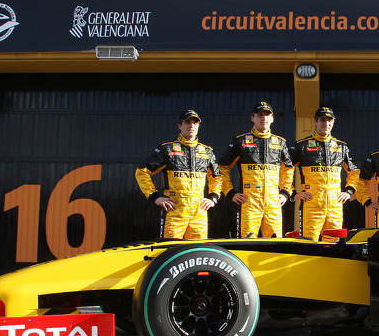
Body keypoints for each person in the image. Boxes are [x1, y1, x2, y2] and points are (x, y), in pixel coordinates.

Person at [135, 110, 222, 240]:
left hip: (199, 212)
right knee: (169, 249)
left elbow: (217, 178)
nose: (191, 126)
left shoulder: (207, 152)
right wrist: (155, 197)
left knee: (198, 252)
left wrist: (213, 198)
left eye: (195, 123)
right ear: (180, 126)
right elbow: (141, 172)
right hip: (175, 209)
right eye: (187, 122)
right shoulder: (167, 149)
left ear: (198, 126)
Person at [218, 101, 294, 238]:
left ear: (272, 118)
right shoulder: (240, 141)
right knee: (247, 243)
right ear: (252, 118)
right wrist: (230, 192)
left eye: (267, 115)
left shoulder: (280, 143)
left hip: (273, 204)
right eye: (260, 115)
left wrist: (285, 192)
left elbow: (288, 169)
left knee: (275, 244)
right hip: (249, 203)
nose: (264, 118)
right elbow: (221, 168)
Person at [289, 107, 359, 241]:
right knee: (308, 243)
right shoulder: (302, 146)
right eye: (322, 120)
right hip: (311, 204)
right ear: (315, 122)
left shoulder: (341, 147)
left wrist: (349, 191)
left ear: (333, 123)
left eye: (329, 120)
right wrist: (293, 193)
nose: (326, 123)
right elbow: (284, 169)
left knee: (334, 244)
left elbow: (354, 171)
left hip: (335, 205)